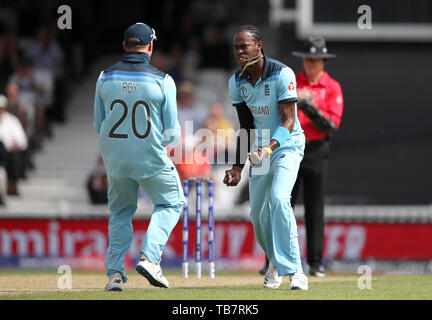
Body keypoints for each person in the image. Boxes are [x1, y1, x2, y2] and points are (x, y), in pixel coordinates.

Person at [93, 22, 185, 291]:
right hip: (150, 158)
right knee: (171, 203)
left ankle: (114, 276)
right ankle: (150, 258)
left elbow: (99, 125)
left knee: (120, 211)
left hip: (116, 159)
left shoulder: (104, 77)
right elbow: (172, 135)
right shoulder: (163, 80)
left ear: (124, 46)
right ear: (151, 46)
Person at [223, 25, 308, 290]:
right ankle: (274, 261)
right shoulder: (236, 81)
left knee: (280, 199)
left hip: (286, 146)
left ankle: (295, 271)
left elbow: (289, 122)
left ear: (258, 46)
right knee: (258, 216)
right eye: (236, 47)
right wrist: (237, 167)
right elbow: (246, 127)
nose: (239, 52)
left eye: (244, 46)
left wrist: (269, 148)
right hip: (260, 151)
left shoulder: (282, 74)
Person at [260, 36, 344, 277]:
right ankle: (273, 261)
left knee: (314, 207)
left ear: (323, 62)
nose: (311, 64)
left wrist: (310, 106)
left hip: (317, 150)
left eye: (316, 60)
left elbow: (331, 126)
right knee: (280, 202)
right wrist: (300, 100)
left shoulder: (332, 87)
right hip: (289, 147)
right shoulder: (293, 82)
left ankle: (315, 262)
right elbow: (278, 113)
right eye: (308, 59)